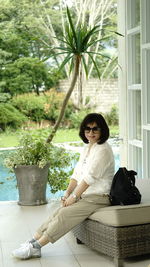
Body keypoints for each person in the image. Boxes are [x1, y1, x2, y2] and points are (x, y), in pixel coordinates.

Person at [12, 113, 115, 260]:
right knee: (58, 211)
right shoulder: (88, 147)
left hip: (99, 197)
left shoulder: (103, 149)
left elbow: (88, 179)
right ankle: (33, 241)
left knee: (64, 214)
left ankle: (36, 247)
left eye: (95, 129)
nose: (91, 133)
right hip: (87, 196)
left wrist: (74, 196)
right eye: (87, 129)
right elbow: (77, 174)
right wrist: (67, 194)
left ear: (102, 130)